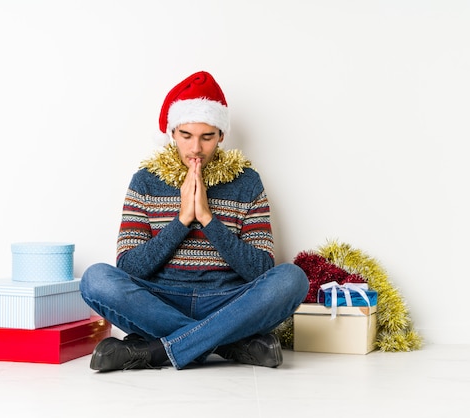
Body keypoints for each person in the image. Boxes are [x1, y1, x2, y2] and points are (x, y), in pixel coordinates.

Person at [80, 71, 309, 372]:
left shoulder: (247, 182)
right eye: (186, 136)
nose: (196, 149)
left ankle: (156, 351)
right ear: (172, 133)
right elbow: (129, 267)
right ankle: (226, 342)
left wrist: (208, 219)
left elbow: (261, 269)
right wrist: (182, 220)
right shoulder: (145, 181)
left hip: (227, 300)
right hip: (161, 300)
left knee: (292, 279)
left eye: (207, 137)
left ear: (222, 136)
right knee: (95, 279)